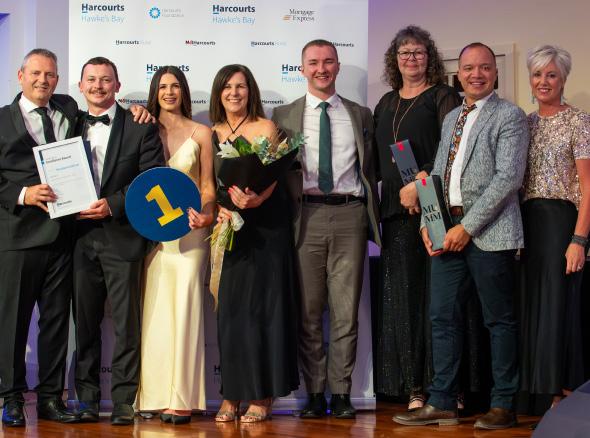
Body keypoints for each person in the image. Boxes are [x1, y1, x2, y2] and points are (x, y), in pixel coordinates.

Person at [393, 42, 529, 429]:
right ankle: (441, 401)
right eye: (468, 68)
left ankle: (503, 405)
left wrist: (466, 229)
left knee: (498, 322)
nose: (476, 74)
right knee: (442, 318)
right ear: (459, 74)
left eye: (484, 67)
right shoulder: (452, 116)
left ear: (495, 73)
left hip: (489, 234)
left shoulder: (510, 116)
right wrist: (428, 224)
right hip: (445, 230)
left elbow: (508, 180)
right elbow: (437, 173)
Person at [272, 39, 381, 419]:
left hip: (350, 215)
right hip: (306, 217)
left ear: (337, 66)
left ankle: (343, 393)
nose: (322, 69)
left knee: (346, 313)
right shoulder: (283, 115)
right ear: (302, 68)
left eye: (328, 61)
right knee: (308, 312)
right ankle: (316, 393)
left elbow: (372, 167)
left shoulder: (361, 114)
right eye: (314, 62)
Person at [72, 56, 165, 425]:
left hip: (122, 236)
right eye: (92, 80)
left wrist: (112, 205)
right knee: (85, 324)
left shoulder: (140, 126)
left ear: (118, 85)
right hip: (78, 239)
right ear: (80, 86)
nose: (98, 86)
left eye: (106, 79)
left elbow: (151, 180)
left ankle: (124, 400)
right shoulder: (67, 123)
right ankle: (86, 399)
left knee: (127, 325)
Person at [372, 25, 461, 411]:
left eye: (419, 52)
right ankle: (414, 387)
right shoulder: (385, 103)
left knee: (439, 301)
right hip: (395, 213)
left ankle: (448, 385)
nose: (412, 59)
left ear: (430, 58)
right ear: (395, 60)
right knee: (404, 303)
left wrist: (421, 184)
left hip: (434, 207)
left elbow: (451, 150)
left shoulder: (443, 96)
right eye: (405, 53)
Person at [207, 64, 299, 423]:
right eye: (227, 87)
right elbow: (207, 183)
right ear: (218, 93)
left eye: (241, 86)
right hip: (229, 228)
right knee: (231, 315)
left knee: (264, 312)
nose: (234, 93)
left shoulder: (266, 127)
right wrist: (219, 208)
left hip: (266, 228)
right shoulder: (210, 133)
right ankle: (231, 394)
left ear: (251, 91)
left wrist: (257, 198)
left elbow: (273, 174)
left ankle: (262, 396)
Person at [0, 48, 80, 427]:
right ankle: (11, 398)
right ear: (20, 76)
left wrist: (138, 112)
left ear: (57, 80)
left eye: (49, 74)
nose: (42, 80)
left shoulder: (68, 109)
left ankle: (50, 398)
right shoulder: (1, 120)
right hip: (17, 237)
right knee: (13, 323)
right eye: (35, 73)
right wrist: (23, 194)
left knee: (56, 323)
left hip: (62, 237)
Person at [136, 66, 215, 424]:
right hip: (152, 235)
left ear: (184, 91)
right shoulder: (141, 128)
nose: (169, 92)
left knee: (185, 309)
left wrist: (207, 214)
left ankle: (182, 398)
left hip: (190, 235)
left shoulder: (202, 133)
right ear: (155, 92)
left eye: (175, 86)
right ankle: (153, 396)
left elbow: (208, 186)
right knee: (155, 312)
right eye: (162, 86)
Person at [519, 45, 590, 410]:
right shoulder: (524, 123)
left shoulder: (579, 121)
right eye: (537, 74)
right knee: (531, 307)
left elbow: (589, 187)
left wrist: (579, 239)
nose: (543, 81)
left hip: (561, 224)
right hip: (526, 225)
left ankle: (561, 397)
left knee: (559, 308)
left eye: (551, 75)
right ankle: (534, 397)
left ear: (563, 80)